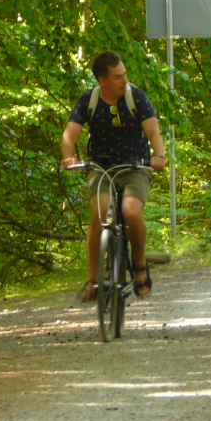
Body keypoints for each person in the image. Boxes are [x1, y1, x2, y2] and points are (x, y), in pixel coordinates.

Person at [61, 51, 167, 303]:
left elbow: (153, 132)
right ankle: (92, 279)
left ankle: (139, 264)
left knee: (130, 211)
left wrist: (159, 155)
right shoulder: (89, 100)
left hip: (135, 166)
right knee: (99, 213)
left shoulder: (136, 96)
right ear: (102, 80)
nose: (124, 81)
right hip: (101, 166)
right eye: (118, 77)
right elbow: (69, 135)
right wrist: (69, 157)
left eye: (125, 75)